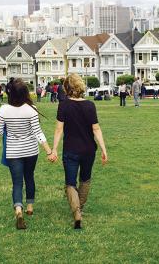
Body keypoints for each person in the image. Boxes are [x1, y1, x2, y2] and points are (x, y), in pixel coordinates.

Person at [49, 74, 108, 229]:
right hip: (89, 150)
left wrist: (54, 149)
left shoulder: (63, 105)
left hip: (71, 150)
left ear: (67, 88)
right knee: (85, 179)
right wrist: (103, 149)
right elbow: (96, 129)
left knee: (70, 183)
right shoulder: (90, 105)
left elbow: (58, 129)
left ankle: (76, 213)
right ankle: (79, 209)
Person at [0, 79, 53, 230]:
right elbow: (38, 132)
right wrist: (49, 151)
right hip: (31, 151)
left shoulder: (3, 110)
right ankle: (30, 206)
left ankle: (19, 211)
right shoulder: (31, 109)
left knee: (17, 182)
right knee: (29, 177)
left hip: (13, 151)